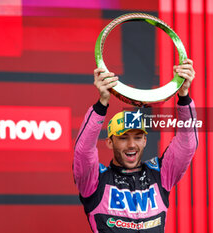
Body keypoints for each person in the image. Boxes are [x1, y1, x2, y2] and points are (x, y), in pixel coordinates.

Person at [73, 59, 198, 233]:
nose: (132, 145)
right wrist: (102, 103)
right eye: (123, 138)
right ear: (110, 142)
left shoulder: (160, 174)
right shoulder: (95, 182)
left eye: (138, 137)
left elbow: (187, 145)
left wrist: (184, 95)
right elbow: (83, 151)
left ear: (145, 141)